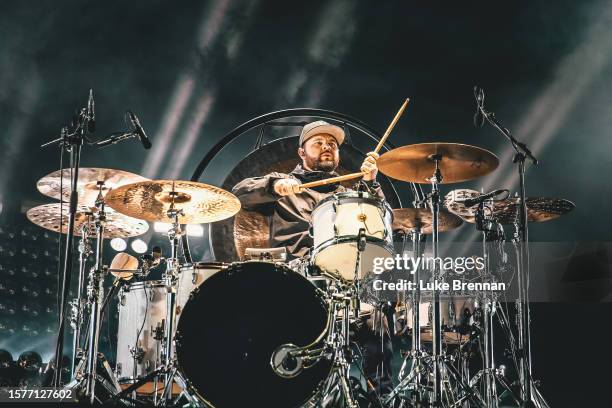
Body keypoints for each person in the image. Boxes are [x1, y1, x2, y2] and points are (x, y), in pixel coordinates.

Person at [232, 120, 393, 403]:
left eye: (332, 144)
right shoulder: (283, 183)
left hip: (340, 285)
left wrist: (371, 183)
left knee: (376, 320)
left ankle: (381, 399)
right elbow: (238, 193)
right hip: (295, 281)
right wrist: (274, 184)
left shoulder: (344, 195)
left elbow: (382, 219)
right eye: (318, 143)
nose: (327, 147)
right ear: (302, 153)